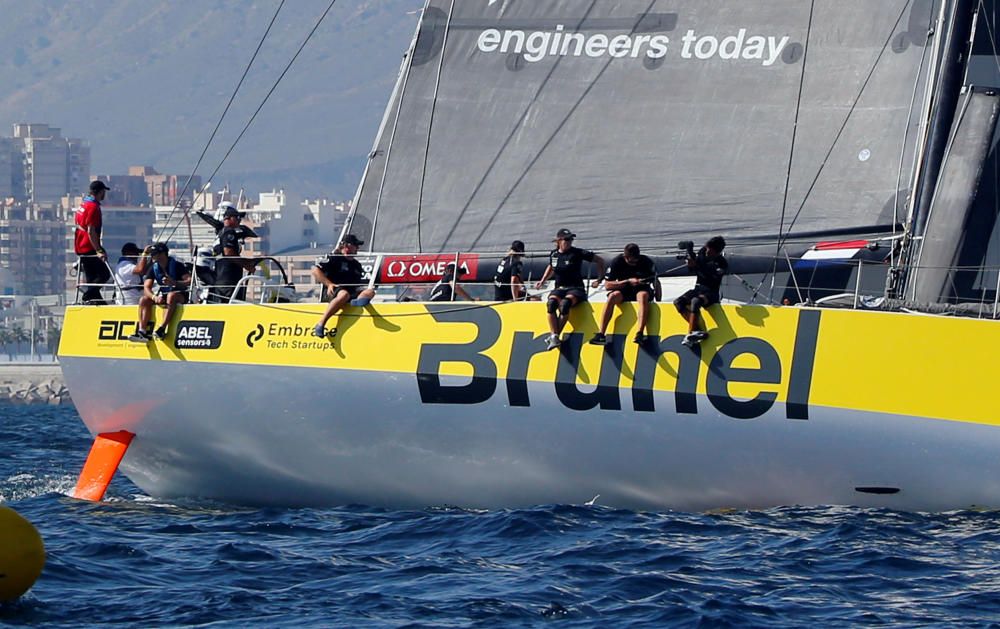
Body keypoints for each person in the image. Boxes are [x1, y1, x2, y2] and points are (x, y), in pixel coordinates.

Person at [533, 228, 605, 350]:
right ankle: (554, 336)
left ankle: (555, 336)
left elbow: (600, 260)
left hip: (575, 288)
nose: (570, 241)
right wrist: (542, 280)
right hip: (560, 288)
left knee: (565, 304)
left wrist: (599, 279)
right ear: (559, 241)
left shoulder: (577, 253)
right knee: (551, 304)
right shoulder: (554, 254)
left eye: (571, 239)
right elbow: (551, 266)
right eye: (567, 239)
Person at [591, 243, 660, 346]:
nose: (634, 263)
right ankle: (601, 333)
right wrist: (627, 281)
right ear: (625, 257)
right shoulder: (617, 262)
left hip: (642, 289)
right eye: (631, 261)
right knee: (612, 296)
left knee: (642, 296)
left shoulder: (646, 261)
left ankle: (640, 332)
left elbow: (656, 282)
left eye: (636, 260)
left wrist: (659, 301)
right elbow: (608, 285)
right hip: (624, 289)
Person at [312, 234, 375, 341]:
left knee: (370, 291)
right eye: (356, 245)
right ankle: (321, 323)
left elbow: (358, 283)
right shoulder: (334, 258)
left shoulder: (357, 265)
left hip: (350, 292)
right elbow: (315, 270)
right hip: (334, 290)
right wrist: (329, 284)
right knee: (344, 294)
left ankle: (356, 305)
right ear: (347, 246)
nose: (358, 248)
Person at [128, 243, 191, 342]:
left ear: (163, 254)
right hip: (163, 296)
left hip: (180, 295)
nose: (152, 256)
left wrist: (174, 282)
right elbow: (146, 287)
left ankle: (162, 329)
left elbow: (189, 281)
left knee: (171, 295)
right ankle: (142, 332)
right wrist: (154, 297)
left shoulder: (178, 265)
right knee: (144, 299)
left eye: (154, 253)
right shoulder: (154, 268)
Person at [674, 236, 728, 347]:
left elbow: (711, 276)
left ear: (717, 252)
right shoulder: (703, 252)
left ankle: (690, 333)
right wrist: (691, 261)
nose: (707, 251)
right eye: (706, 248)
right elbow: (693, 269)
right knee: (678, 302)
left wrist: (697, 265)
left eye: (710, 251)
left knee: (695, 302)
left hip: (711, 292)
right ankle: (697, 330)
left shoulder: (722, 263)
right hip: (698, 288)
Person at [212, 205, 259, 303]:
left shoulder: (220, 234)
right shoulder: (229, 231)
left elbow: (225, 255)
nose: (239, 221)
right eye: (237, 218)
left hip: (221, 281)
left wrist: (248, 261)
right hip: (229, 280)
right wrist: (247, 266)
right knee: (234, 307)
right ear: (228, 218)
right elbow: (229, 253)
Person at [74, 180, 112, 304]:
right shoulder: (93, 207)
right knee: (104, 274)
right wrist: (98, 250)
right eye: (103, 192)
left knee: (91, 276)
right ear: (100, 192)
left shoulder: (84, 204)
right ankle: (88, 295)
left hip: (80, 244)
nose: (104, 195)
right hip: (87, 245)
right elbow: (91, 231)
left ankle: (95, 300)